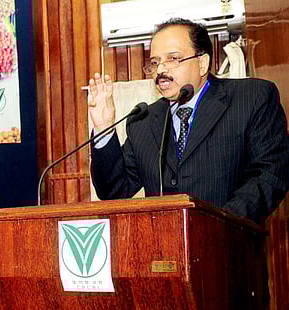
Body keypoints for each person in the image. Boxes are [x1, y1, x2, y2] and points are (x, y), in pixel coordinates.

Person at [88, 18, 289, 224]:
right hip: (163, 251)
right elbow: (113, 191)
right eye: (155, 62)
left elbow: (270, 175)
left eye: (173, 59)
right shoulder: (144, 121)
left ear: (202, 63)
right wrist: (103, 128)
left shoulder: (251, 98)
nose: (160, 71)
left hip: (230, 246)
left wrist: (220, 223)